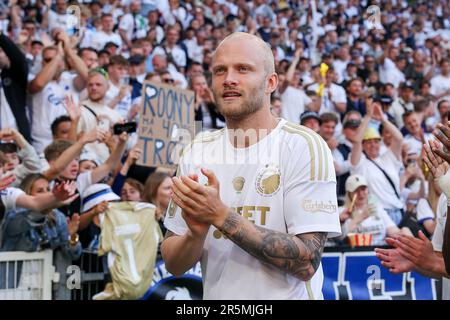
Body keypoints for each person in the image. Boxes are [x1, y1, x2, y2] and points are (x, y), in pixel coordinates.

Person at [161, 32, 341, 300]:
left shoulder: (303, 146)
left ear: (270, 82)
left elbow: (307, 263)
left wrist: (221, 216)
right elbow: (173, 264)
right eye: (220, 70)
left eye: (243, 69)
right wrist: (195, 236)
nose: (229, 79)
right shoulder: (196, 150)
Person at [350, 98, 405, 226]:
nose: (373, 145)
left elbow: (399, 138)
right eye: (368, 142)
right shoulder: (360, 163)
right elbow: (357, 140)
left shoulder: (388, 157)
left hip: (399, 210)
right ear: (363, 146)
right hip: (378, 214)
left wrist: (383, 119)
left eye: (376, 141)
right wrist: (368, 116)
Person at [339, 174, 409, 246]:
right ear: (349, 193)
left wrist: (403, 232)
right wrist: (361, 216)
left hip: (379, 250)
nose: (360, 193)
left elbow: (392, 230)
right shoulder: (343, 212)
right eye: (356, 191)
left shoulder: (377, 208)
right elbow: (340, 237)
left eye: (363, 189)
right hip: (355, 252)